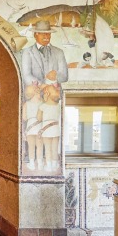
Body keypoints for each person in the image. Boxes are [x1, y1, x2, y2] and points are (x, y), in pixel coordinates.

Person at [20, 20, 68, 172]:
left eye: (48, 34)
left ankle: (52, 159)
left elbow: (65, 75)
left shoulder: (58, 52)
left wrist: (55, 76)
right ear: (35, 35)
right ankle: (32, 157)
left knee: (52, 128)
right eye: (43, 34)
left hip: (52, 98)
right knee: (33, 128)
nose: (47, 36)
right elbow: (26, 74)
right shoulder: (27, 52)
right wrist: (40, 85)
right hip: (34, 94)